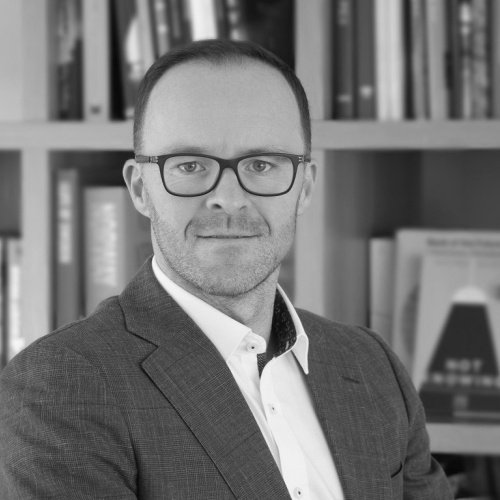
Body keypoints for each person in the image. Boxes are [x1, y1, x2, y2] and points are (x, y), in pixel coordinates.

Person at [0, 39, 452, 500]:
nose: (229, 199)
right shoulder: (61, 386)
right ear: (140, 189)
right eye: (190, 165)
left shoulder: (372, 366)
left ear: (305, 187)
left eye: (261, 164)